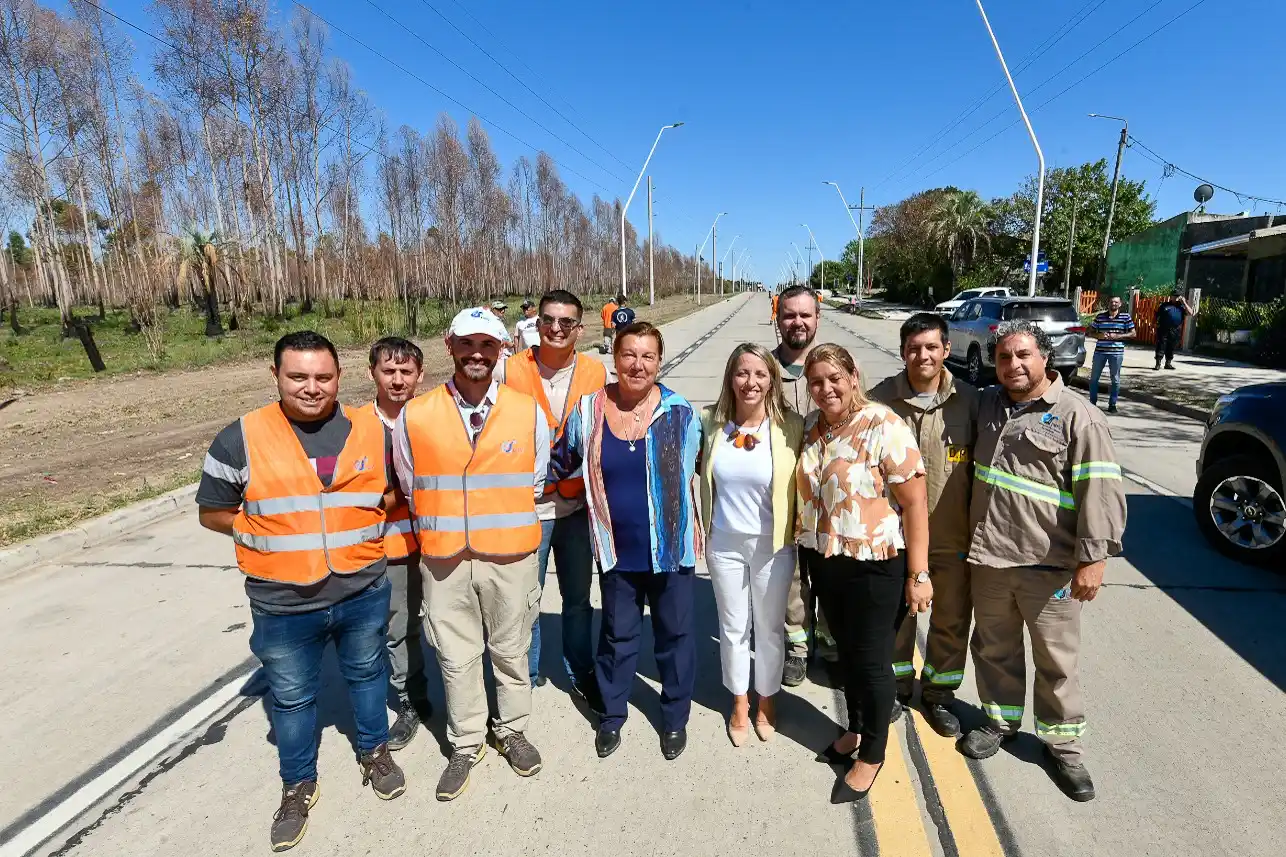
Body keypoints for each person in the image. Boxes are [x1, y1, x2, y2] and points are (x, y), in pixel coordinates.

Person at [196, 331, 405, 851]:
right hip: (283, 602)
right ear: (276, 377)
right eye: (298, 377)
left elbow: (393, 491)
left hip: (361, 588)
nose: (311, 388)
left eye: (323, 377)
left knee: (367, 675)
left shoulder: (370, 431)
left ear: (339, 378)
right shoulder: (239, 438)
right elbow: (213, 511)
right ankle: (297, 784)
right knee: (291, 700)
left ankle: (375, 752)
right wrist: (262, 535)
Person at [958, 320, 1126, 804]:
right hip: (990, 560)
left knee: (1057, 663)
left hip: (1049, 567)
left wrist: (1094, 559)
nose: (1013, 365)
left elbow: (1101, 490)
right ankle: (1000, 723)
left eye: (1023, 355)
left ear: (1045, 357)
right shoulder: (987, 404)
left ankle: (1064, 748)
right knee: (994, 649)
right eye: (1005, 357)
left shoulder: (1080, 417)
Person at [394, 307, 549, 801]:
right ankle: (465, 743)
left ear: (502, 348)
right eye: (467, 344)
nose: (477, 354)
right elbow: (408, 479)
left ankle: (511, 730)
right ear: (450, 345)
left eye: (487, 345)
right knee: (457, 658)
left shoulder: (527, 411)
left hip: (510, 556)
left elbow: (536, 478)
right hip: (445, 560)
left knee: (511, 650)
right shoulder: (415, 415)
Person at [550, 321, 702, 762]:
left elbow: (701, 466)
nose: (638, 364)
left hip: (671, 549)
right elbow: (560, 461)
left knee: (675, 635)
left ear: (660, 361)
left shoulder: (680, 411)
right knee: (618, 635)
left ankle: (674, 718)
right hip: (616, 549)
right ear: (614, 359)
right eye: (629, 354)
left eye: (648, 356)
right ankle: (612, 715)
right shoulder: (587, 410)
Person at [798, 344, 931, 804]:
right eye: (816, 382)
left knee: (872, 663)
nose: (826, 388)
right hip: (827, 561)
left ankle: (872, 753)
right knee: (848, 658)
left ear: (854, 376)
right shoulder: (816, 430)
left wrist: (919, 574)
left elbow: (915, 503)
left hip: (875, 567)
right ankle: (856, 731)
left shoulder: (883, 424)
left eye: (835, 378)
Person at [870, 313, 980, 738]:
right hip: (894, 537)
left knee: (951, 621)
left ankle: (938, 695)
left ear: (946, 350)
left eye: (932, 347)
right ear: (902, 353)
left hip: (952, 538)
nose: (923, 355)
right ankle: (896, 688)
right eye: (914, 348)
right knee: (896, 620)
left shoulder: (971, 402)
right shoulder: (879, 401)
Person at [496, 289, 607, 708]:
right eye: (548, 320)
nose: (556, 329)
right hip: (530, 508)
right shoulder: (510, 370)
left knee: (578, 599)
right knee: (529, 598)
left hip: (577, 507)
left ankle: (580, 670)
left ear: (580, 329)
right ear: (535, 323)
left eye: (566, 322)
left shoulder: (596, 371)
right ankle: (527, 673)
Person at [698, 343, 804, 746]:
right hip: (723, 543)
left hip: (772, 546)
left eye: (761, 374)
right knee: (733, 626)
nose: (751, 382)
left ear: (772, 381)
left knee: (770, 629)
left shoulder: (788, 426)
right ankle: (740, 701)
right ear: (730, 378)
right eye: (743, 373)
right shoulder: (711, 422)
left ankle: (767, 700)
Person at [359, 337, 434, 752]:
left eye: (407, 372)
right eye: (389, 371)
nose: (398, 380)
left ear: (420, 375)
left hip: (440, 540)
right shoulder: (355, 427)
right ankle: (412, 701)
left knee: (451, 624)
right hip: (390, 547)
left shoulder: (432, 418)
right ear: (373, 373)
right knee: (400, 629)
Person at [771, 284, 833, 686]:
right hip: (781, 490)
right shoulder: (764, 367)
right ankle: (797, 646)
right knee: (790, 575)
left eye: (805, 315)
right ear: (778, 320)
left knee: (831, 570)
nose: (798, 322)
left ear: (817, 319)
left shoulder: (835, 364)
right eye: (790, 315)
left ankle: (829, 644)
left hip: (830, 492)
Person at [1088, 295, 1135, 413]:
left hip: (1116, 353)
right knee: (1094, 379)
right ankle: (1092, 403)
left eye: (1116, 302)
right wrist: (1099, 335)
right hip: (1100, 352)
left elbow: (1133, 334)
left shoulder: (1125, 317)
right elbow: (1090, 332)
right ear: (1108, 304)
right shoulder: (1100, 317)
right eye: (1111, 302)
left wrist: (1118, 336)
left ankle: (1112, 404)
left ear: (1120, 304)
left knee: (1115, 379)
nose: (1113, 304)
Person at [1154, 287, 1196, 370]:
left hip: (1175, 329)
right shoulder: (1164, 305)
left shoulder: (1181, 307)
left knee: (1171, 346)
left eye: (1178, 296)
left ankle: (1168, 363)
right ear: (1171, 296)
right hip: (1163, 328)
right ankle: (1158, 363)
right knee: (1161, 345)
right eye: (1174, 296)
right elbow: (1156, 316)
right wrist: (1155, 326)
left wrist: (1184, 302)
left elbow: (1191, 313)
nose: (1176, 298)